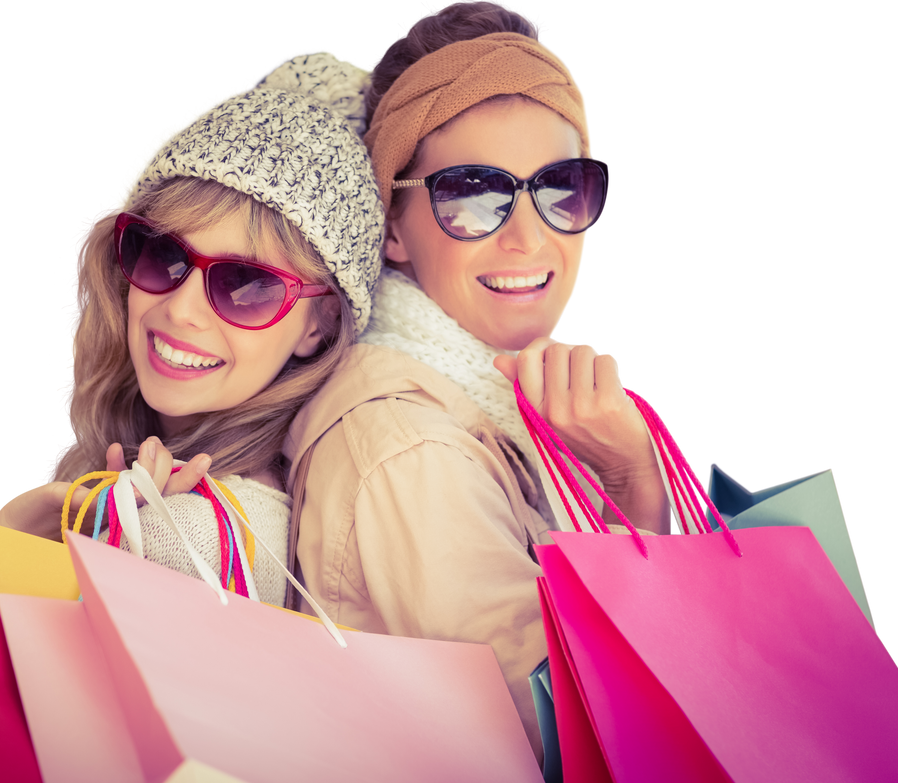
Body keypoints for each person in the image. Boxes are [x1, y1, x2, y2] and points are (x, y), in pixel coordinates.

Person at [282, 3, 671, 765]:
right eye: (472, 193)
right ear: (390, 225)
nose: (529, 236)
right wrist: (634, 485)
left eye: (563, 188)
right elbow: (584, 738)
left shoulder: (514, 406)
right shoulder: (408, 447)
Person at [0, 50, 384, 608]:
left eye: (248, 285)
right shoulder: (128, 472)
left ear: (318, 327)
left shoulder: (194, 536)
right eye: (161, 254)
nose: (181, 310)